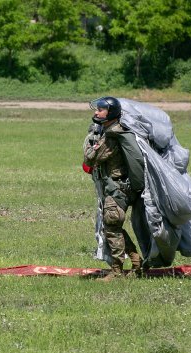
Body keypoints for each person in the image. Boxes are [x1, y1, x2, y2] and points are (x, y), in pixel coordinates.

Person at [83, 96, 145, 279]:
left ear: (111, 113)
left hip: (117, 189)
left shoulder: (111, 136)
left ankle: (117, 272)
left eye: (101, 110)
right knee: (113, 226)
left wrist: (90, 139)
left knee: (111, 226)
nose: (96, 112)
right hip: (122, 187)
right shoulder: (115, 130)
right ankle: (136, 263)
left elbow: (90, 158)